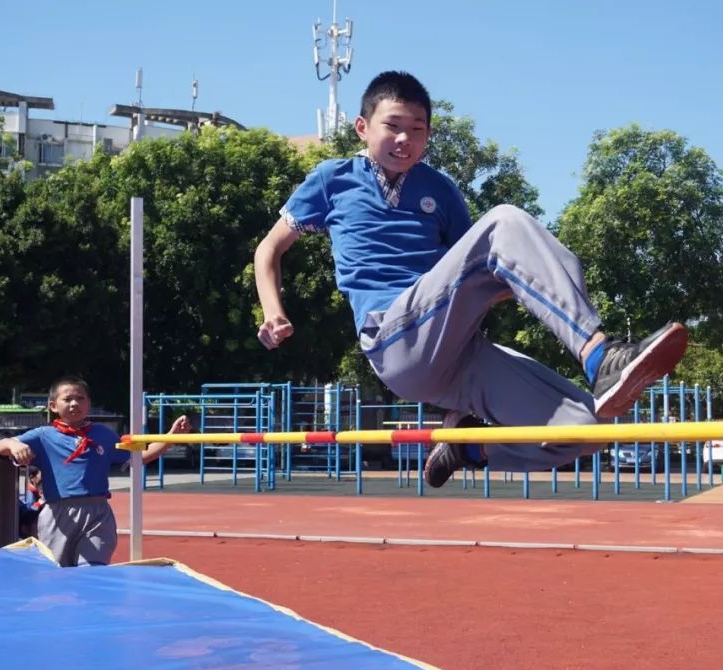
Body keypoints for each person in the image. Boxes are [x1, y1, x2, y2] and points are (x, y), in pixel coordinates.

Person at [254, 70, 687, 488]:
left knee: (588, 427)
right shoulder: (333, 179)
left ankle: (468, 447)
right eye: (393, 126)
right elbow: (269, 249)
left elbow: (483, 270)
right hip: (393, 336)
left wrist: (529, 278)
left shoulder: (439, 189)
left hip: (456, 351)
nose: (405, 139)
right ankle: (599, 356)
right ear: (362, 127)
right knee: (503, 222)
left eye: (418, 129)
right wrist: (274, 313)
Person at [0, 376, 191, 567]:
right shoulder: (43, 435)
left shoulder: (103, 434)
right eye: (67, 399)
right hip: (59, 513)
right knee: (56, 572)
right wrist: (14, 445)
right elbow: (1, 446)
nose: (74, 404)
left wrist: (171, 437)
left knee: (92, 569)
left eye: (80, 398)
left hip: (97, 513)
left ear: (89, 403)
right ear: (53, 406)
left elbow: (141, 456)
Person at [17, 465, 45, 540]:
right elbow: (28, 511)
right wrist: (39, 503)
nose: (41, 479)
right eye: (39, 475)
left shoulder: (30, 490)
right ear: (32, 477)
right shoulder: (29, 491)